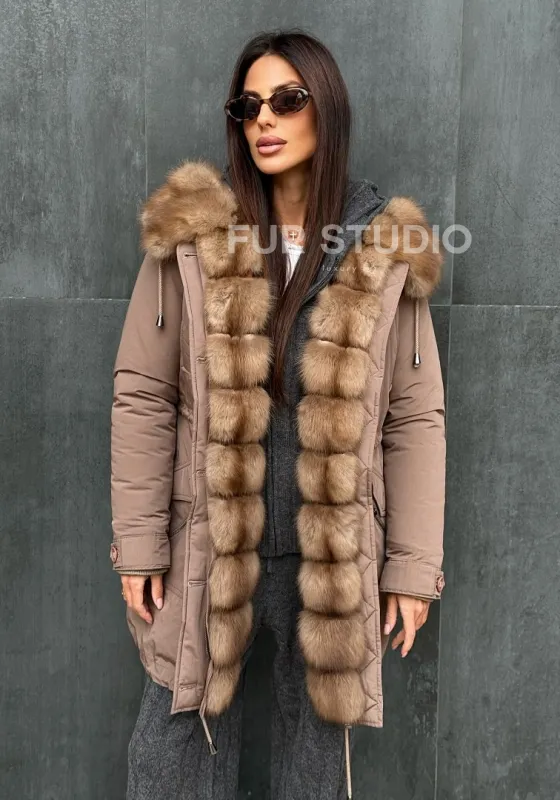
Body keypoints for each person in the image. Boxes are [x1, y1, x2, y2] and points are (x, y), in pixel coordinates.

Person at [110, 28, 447, 800]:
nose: (264, 119)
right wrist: (139, 544)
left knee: (315, 768)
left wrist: (411, 567)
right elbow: (144, 394)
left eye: (287, 100)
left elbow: (412, 416)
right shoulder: (194, 238)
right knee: (172, 750)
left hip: (331, 551)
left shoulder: (381, 249)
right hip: (207, 541)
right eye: (248, 105)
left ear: (326, 109)